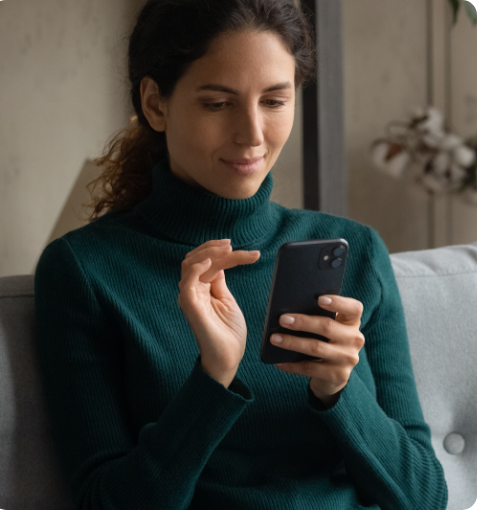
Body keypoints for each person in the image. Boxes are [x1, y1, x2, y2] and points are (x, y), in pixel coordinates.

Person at [34, 0, 448, 508]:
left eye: (274, 101)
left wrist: (338, 390)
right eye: (217, 103)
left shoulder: (356, 251)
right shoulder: (85, 270)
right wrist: (213, 378)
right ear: (155, 103)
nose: (252, 134)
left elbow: (424, 497)